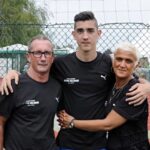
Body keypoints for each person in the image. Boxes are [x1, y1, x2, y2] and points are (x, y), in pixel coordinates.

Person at [0, 11, 147, 150]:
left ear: (99, 33)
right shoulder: (60, 64)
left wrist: (147, 86)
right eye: (80, 31)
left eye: (90, 31)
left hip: (98, 143)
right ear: (74, 35)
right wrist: (13, 73)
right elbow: (37, 70)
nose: (85, 36)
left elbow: (127, 75)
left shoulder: (108, 64)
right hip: (67, 142)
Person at [59, 42, 150, 150]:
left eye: (128, 61)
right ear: (113, 61)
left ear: (136, 64)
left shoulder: (134, 92)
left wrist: (72, 122)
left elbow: (107, 124)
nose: (122, 64)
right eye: (119, 59)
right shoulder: (113, 83)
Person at [0, 35, 62, 150]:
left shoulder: (57, 86)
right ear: (28, 57)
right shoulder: (13, 85)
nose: (43, 58)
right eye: (37, 53)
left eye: (47, 53)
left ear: (52, 58)